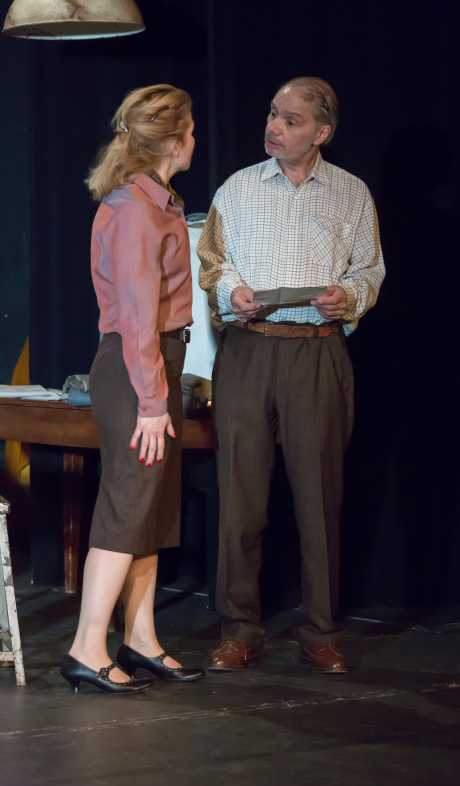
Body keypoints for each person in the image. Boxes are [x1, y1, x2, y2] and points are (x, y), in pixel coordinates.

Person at [198, 76, 385, 674]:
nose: (274, 127)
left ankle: (320, 630)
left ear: (321, 132)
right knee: (241, 498)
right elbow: (211, 262)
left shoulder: (351, 193)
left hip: (317, 353)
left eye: (291, 120)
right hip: (250, 351)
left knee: (318, 497)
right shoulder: (238, 187)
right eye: (272, 114)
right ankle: (239, 629)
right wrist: (232, 292)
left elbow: (370, 268)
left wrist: (348, 296)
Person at [60, 84, 204, 693]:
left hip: (156, 364)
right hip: (135, 367)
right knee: (128, 505)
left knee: (151, 507)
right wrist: (151, 402)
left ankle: (140, 637)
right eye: (190, 130)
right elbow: (139, 317)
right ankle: (86, 646)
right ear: (172, 141)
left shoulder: (159, 203)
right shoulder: (134, 211)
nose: (195, 139)